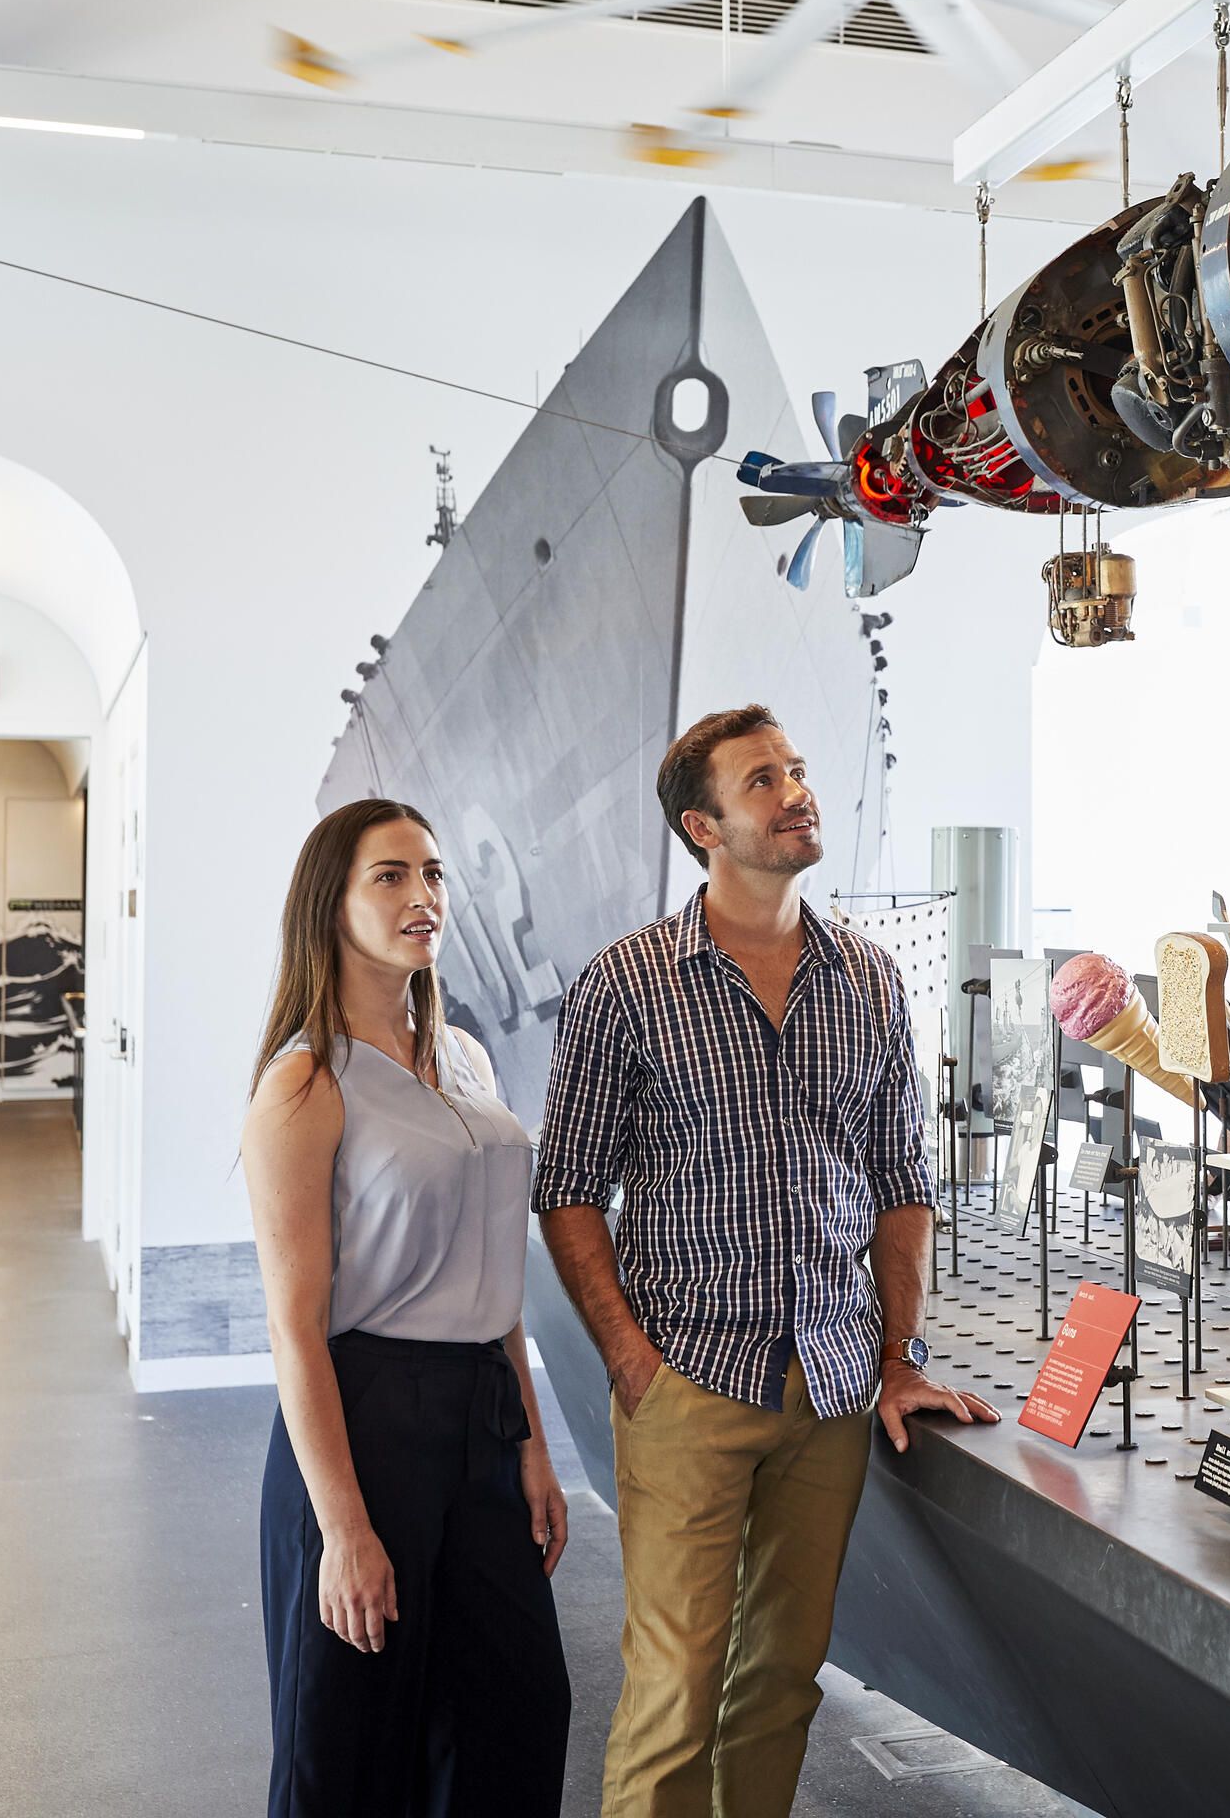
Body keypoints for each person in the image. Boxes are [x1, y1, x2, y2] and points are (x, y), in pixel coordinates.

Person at [533, 704, 1001, 1818]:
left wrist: (898, 1355)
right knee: (673, 1690)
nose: (796, 791)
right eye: (762, 781)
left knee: (780, 1681)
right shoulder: (628, 984)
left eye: (795, 769)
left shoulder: (872, 981)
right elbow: (567, 1188)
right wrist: (628, 1356)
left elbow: (900, 1185)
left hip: (832, 1389)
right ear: (703, 824)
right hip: (687, 1378)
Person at [240, 798, 571, 1817]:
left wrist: (530, 1442)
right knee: (351, 1737)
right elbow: (295, 1325)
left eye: (432, 873)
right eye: (391, 875)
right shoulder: (304, 1083)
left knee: (517, 1712)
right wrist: (344, 1527)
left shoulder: (464, 1055)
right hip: (366, 1414)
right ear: (330, 906)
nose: (424, 895)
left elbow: (492, 1264)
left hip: (482, 1404)